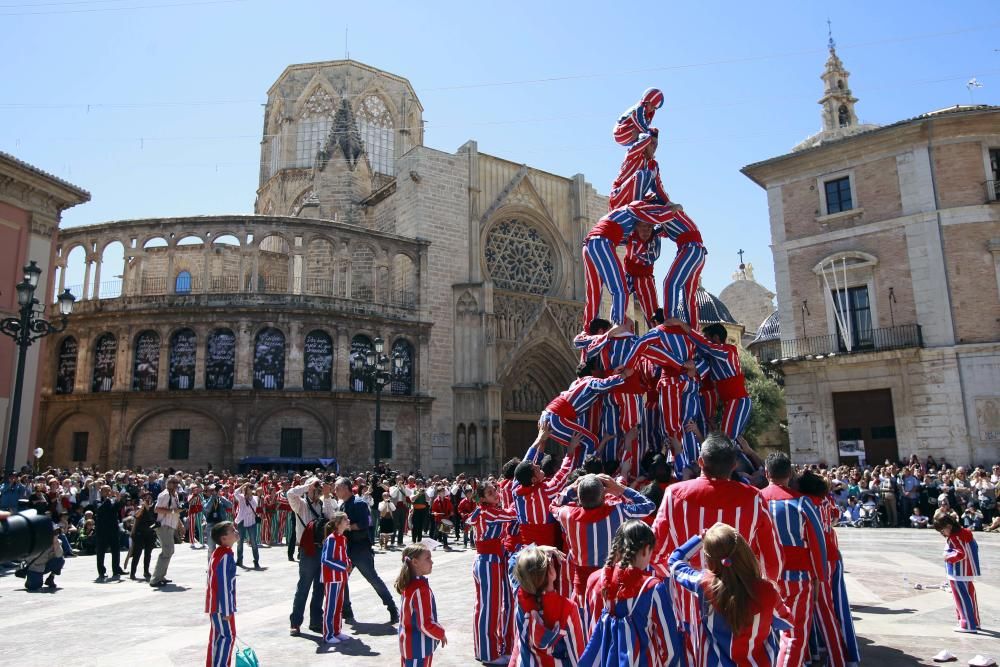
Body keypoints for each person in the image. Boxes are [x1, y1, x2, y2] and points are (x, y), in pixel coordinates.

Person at [669, 522, 793, 666]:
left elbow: (674, 562)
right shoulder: (767, 591)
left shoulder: (703, 585)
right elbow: (786, 622)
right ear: (745, 551)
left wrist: (700, 539)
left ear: (710, 561)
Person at [581, 520, 683, 666]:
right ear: (645, 549)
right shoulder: (653, 588)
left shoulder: (594, 580)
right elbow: (670, 649)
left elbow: (591, 632)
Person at [759, 453, 827, 667]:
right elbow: (817, 543)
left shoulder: (754, 499)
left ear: (766, 473)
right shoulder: (803, 503)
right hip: (797, 577)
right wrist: (818, 577)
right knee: (795, 634)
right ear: (789, 473)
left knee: (765, 632)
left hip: (763, 576)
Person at [550, 473, 655, 605]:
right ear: (604, 496)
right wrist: (619, 488)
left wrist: (572, 487)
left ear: (579, 499)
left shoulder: (568, 514)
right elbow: (649, 505)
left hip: (583, 586)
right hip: (611, 582)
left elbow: (553, 505)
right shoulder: (619, 511)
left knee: (586, 622)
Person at [335, 477, 400, 624]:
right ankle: (347, 611)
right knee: (342, 580)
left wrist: (348, 527)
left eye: (337, 488)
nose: (335, 491)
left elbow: (365, 523)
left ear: (346, 488)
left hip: (361, 548)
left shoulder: (359, 503)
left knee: (373, 579)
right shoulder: (342, 506)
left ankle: (392, 608)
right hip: (347, 548)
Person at [467, 481, 518, 665]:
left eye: (495, 490)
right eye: (490, 493)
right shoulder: (489, 512)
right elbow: (513, 515)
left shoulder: (482, 510)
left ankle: (482, 649)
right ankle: (490, 654)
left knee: (482, 607)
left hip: (484, 560)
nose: (496, 494)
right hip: (490, 562)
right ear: (482, 498)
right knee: (491, 609)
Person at [510, 545, 586, 667]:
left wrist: (537, 549)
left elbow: (514, 561)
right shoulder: (568, 608)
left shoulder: (521, 600)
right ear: (551, 572)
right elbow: (578, 656)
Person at [287, 475, 337, 636]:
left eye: (317, 488)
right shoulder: (300, 505)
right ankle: (295, 623)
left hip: (322, 549)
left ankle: (316, 621)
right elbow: (290, 494)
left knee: (320, 587)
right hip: (307, 551)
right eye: (314, 488)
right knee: (303, 587)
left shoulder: (323, 503)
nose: (316, 490)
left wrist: (327, 495)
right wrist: (308, 486)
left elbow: (330, 518)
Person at [396, 543, 447, 667]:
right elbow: (425, 624)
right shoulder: (420, 588)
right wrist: (441, 633)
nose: (432, 562)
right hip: (418, 648)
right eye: (428, 558)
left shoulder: (409, 583)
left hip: (409, 645)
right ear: (415, 562)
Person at [934, 513, 982, 633]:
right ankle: (974, 622)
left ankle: (967, 624)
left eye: (942, 530)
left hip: (958, 571)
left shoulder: (955, 537)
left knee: (961, 598)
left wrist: (947, 556)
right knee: (970, 597)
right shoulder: (965, 532)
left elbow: (961, 553)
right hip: (967, 571)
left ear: (948, 526)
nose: (942, 534)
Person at [206, 521, 238, 667]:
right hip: (221, 606)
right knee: (228, 637)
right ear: (224, 538)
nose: (235, 531)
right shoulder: (225, 555)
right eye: (232, 530)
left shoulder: (219, 553)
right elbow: (224, 585)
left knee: (218, 637)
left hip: (216, 604)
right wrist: (227, 609)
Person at [320, 512, 352, 645]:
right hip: (332, 578)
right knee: (330, 606)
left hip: (341, 577)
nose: (348, 521)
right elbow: (326, 559)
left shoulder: (343, 538)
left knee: (339, 605)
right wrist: (343, 566)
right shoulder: (331, 539)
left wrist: (348, 562)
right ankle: (328, 634)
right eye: (345, 519)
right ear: (338, 523)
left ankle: (337, 631)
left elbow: (342, 556)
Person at [151, 476, 181, 587]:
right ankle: (155, 579)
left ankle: (161, 576)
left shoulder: (175, 495)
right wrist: (173, 511)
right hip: (164, 525)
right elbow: (157, 509)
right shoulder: (164, 495)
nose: (175, 484)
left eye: (177, 482)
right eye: (173, 482)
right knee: (167, 551)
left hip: (171, 525)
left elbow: (175, 510)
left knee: (169, 551)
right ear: (167, 483)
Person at [94, 484, 125, 581]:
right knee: (101, 552)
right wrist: (108, 499)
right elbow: (100, 509)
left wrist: (119, 498)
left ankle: (116, 569)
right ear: (101, 492)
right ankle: (101, 571)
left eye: (109, 490)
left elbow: (118, 507)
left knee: (116, 551)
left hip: (113, 530)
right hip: (102, 531)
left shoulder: (112, 501)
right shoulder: (97, 501)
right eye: (105, 491)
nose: (108, 492)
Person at [128, 492, 157, 580]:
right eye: (146, 498)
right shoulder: (141, 508)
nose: (148, 499)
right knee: (137, 553)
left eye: (149, 498)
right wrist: (143, 507)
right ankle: (132, 573)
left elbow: (155, 519)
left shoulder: (154, 508)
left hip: (150, 533)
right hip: (140, 533)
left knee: (148, 553)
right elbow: (136, 516)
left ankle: (146, 571)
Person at [203, 485, 234, 562]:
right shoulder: (206, 500)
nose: (213, 492)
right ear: (208, 492)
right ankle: (211, 565)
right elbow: (207, 509)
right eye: (211, 490)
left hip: (222, 525)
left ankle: (223, 564)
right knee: (211, 547)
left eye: (215, 490)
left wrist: (220, 497)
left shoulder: (221, 500)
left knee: (224, 546)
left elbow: (230, 505)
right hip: (211, 526)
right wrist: (213, 498)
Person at [233, 483, 260, 569]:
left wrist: (250, 496)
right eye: (248, 488)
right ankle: (239, 560)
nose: (249, 489)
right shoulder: (241, 497)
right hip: (242, 521)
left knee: (254, 542)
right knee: (240, 542)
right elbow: (235, 493)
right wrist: (243, 485)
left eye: (250, 488)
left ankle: (256, 561)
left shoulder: (255, 498)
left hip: (252, 521)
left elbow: (255, 506)